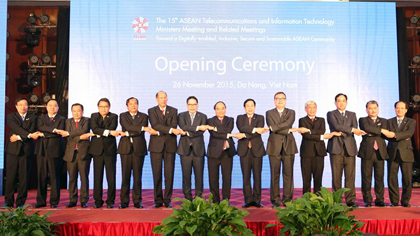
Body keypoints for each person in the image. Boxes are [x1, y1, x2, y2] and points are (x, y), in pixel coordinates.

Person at [327, 93, 365, 207]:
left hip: (350, 148)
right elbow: (336, 126)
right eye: (339, 101)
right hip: (336, 148)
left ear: (346, 102)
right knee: (336, 176)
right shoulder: (331, 114)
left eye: (343, 101)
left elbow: (354, 126)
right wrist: (352, 130)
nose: (341, 103)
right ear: (335, 103)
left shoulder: (352, 114)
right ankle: (337, 200)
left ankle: (350, 200)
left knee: (350, 176)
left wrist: (351, 130)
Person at [148, 91, 183, 208]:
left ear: (167, 98)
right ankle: (158, 200)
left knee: (169, 174)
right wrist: (169, 130)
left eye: (165, 97)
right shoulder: (151, 111)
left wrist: (160, 131)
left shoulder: (173, 110)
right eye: (161, 98)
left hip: (170, 146)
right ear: (156, 99)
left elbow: (173, 125)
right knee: (156, 174)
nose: (163, 99)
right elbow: (155, 125)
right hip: (156, 147)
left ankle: (167, 199)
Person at [118, 97, 153, 209]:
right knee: (125, 175)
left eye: (135, 104)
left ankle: (137, 201)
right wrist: (142, 128)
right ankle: (124, 201)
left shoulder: (144, 116)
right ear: (127, 106)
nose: (133, 106)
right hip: (125, 149)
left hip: (139, 148)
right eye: (131, 104)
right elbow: (127, 127)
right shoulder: (123, 115)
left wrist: (128, 133)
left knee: (137, 176)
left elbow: (131, 129)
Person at [3, 98, 39, 208]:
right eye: (21, 105)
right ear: (16, 106)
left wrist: (18, 137)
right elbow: (16, 128)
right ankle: (9, 202)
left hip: (27, 151)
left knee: (24, 177)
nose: (23, 107)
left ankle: (20, 202)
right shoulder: (11, 117)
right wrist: (28, 135)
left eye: (25, 104)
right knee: (10, 177)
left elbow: (32, 130)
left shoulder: (33, 117)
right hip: (13, 151)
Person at [56, 103, 93, 208]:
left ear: (82, 111)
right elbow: (72, 136)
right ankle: (72, 200)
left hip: (83, 153)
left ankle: (83, 200)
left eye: (79, 110)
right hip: (71, 153)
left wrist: (69, 134)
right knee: (72, 178)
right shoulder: (68, 121)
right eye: (74, 111)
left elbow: (83, 130)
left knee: (84, 178)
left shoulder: (86, 120)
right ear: (71, 112)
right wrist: (80, 137)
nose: (77, 113)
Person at [266, 92, 298, 207]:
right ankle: (275, 199)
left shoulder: (291, 112)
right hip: (274, 146)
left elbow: (287, 123)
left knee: (288, 174)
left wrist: (274, 127)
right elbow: (277, 127)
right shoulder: (269, 113)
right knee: (274, 174)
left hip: (288, 145)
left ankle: (287, 199)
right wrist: (289, 130)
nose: (280, 100)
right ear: (274, 100)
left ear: (286, 100)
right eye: (277, 99)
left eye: (282, 98)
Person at [298, 101, 336, 194]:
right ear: (305, 109)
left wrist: (310, 131)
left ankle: (318, 198)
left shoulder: (321, 120)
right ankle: (306, 199)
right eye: (309, 107)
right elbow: (306, 135)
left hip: (319, 152)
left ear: (316, 109)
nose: (312, 109)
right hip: (306, 152)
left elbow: (321, 131)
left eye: (314, 107)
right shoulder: (302, 120)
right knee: (306, 178)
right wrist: (320, 137)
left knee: (318, 177)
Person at [236, 99, 268, 208]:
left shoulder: (260, 118)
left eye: (252, 106)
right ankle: (248, 200)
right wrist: (255, 130)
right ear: (244, 108)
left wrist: (245, 135)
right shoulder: (240, 118)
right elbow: (242, 128)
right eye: (247, 106)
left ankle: (257, 200)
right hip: (244, 150)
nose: (250, 108)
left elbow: (256, 132)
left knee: (257, 176)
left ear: (255, 107)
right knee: (246, 176)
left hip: (257, 150)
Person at [89, 98, 119, 208]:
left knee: (111, 177)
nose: (103, 108)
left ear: (109, 107)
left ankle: (110, 201)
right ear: (98, 107)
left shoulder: (114, 116)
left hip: (110, 150)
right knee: (98, 176)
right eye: (101, 106)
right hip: (97, 150)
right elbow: (94, 128)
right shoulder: (94, 116)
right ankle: (98, 200)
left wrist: (102, 132)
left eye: (106, 106)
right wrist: (108, 132)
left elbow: (112, 127)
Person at [35, 99, 65, 208]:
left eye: (55, 105)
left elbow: (60, 132)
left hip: (55, 150)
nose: (53, 107)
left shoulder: (62, 119)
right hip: (41, 150)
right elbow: (40, 127)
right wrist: (53, 131)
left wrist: (44, 134)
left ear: (58, 107)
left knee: (54, 176)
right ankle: (41, 201)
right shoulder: (40, 118)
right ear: (46, 107)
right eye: (50, 105)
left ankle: (54, 201)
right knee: (41, 176)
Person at [385, 101, 416, 207]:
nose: (399, 110)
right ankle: (394, 201)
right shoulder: (389, 122)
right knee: (392, 178)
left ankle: (405, 201)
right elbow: (386, 135)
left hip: (406, 152)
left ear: (406, 110)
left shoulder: (411, 122)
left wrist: (393, 134)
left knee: (407, 179)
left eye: (402, 108)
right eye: (397, 108)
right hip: (392, 153)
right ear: (394, 109)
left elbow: (409, 133)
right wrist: (401, 135)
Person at [358, 100, 389, 207]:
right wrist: (381, 131)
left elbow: (376, 132)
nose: (372, 110)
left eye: (375, 108)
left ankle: (379, 199)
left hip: (380, 152)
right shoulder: (363, 120)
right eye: (370, 108)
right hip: (367, 152)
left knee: (379, 177)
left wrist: (372, 133)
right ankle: (367, 199)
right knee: (366, 177)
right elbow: (366, 128)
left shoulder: (384, 121)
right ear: (367, 109)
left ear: (378, 109)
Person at [177, 96, 208, 201]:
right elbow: (183, 126)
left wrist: (187, 132)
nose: (192, 107)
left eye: (194, 104)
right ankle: (187, 198)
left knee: (199, 175)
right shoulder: (181, 115)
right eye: (190, 104)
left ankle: (199, 198)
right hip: (185, 150)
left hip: (198, 150)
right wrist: (197, 127)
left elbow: (201, 132)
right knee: (186, 176)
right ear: (187, 105)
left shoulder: (203, 116)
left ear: (197, 105)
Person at [207, 101, 238, 203]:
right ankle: (215, 201)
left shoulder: (230, 120)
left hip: (227, 152)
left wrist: (216, 129)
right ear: (215, 110)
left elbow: (227, 130)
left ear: (225, 109)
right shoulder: (210, 120)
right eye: (218, 109)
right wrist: (229, 135)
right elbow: (215, 135)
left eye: (222, 108)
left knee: (227, 178)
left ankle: (225, 201)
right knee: (213, 178)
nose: (221, 111)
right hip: (214, 153)